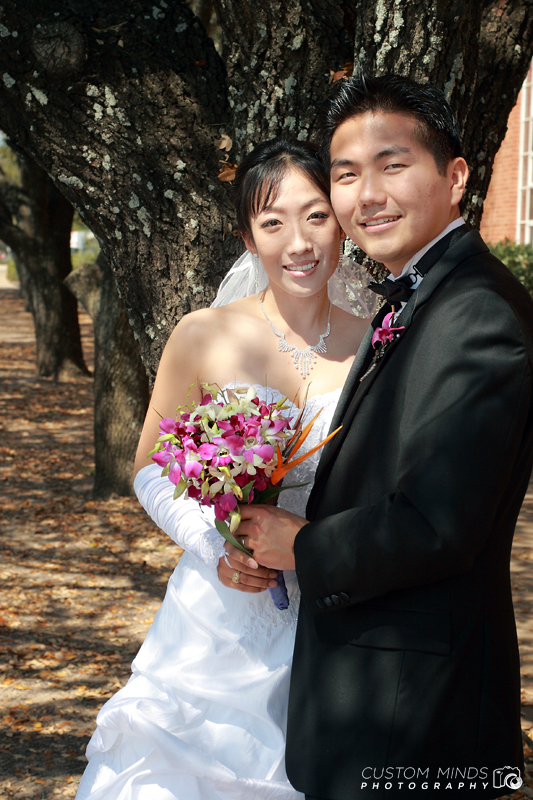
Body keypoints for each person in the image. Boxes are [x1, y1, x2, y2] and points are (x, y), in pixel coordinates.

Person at [238, 75, 533, 800]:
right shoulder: (421, 295)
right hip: (379, 698)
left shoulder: (476, 313)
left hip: (416, 710)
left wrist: (300, 545)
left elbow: (438, 522)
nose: (366, 194)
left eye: (391, 165)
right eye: (346, 174)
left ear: (455, 176)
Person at [75, 137, 372, 800]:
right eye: (273, 223)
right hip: (215, 615)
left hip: (331, 610)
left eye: (316, 215)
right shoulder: (203, 333)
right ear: (247, 238)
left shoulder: (376, 341)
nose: (299, 242)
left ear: (341, 220)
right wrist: (216, 544)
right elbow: (151, 467)